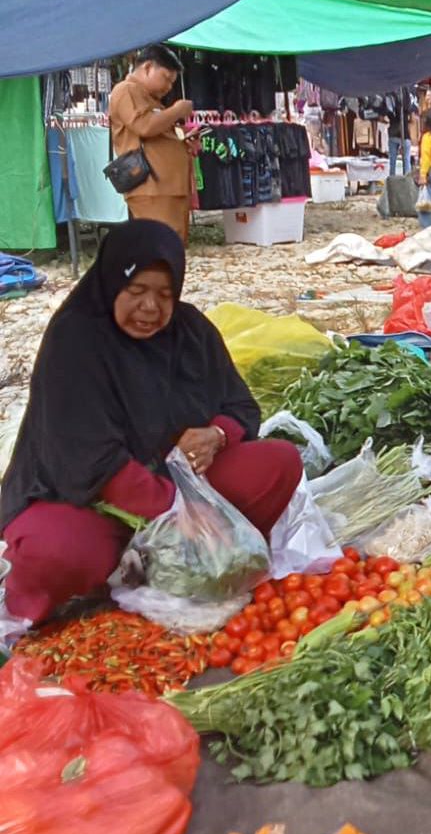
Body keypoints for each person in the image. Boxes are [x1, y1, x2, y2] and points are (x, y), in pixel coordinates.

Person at [0, 221, 302, 625]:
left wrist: (217, 435)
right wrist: (179, 512)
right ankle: (118, 573)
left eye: (164, 294)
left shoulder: (190, 330)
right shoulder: (75, 339)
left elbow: (241, 406)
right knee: (55, 552)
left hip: (178, 483)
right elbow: (91, 460)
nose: (150, 307)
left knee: (278, 462)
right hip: (85, 500)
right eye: (136, 290)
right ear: (111, 283)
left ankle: (168, 569)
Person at [108, 45, 195, 244]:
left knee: (172, 246)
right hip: (151, 186)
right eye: (166, 78)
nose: (169, 87)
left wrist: (183, 138)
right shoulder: (126, 90)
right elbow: (144, 126)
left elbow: (157, 132)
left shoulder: (150, 98)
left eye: (172, 82)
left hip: (168, 186)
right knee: (160, 246)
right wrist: (177, 110)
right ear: (147, 67)